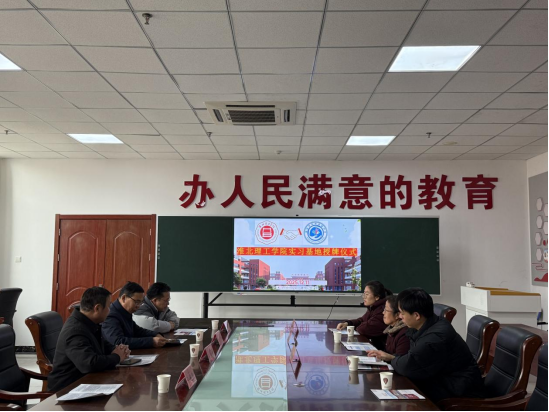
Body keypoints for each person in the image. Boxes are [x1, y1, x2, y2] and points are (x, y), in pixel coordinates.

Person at [367, 288, 484, 403]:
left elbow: (408, 366)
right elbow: (412, 359)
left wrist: (393, 359)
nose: (400, 317)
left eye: (402, 313)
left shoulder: (434, 338)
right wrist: (392, 357)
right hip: (442, 379)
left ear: (416, 315)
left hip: (457, 388)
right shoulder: (428, 324)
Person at [48, 287, 130, 393]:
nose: (110, 310)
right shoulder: (75, 330)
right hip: (68, 390)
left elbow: (101, 345)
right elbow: (89, 364)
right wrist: (117, 357)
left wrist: (118, 349)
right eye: (109, 306)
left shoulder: (89, 322)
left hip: (86, 383)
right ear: (97, 308)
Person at [102, 282, 167, 350]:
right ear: (124, 298)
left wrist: (155, 334)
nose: (138, 306)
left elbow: (137, 330)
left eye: (140, 302)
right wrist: (151, 341)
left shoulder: (125, 311)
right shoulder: (111, 315)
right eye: (137, 302)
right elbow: (118, 342)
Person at [337, 280, 392, 347]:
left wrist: (360, 325)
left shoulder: (382, 310)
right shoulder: (373, 307)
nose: (364, 297)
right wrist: (347, 323)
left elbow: (363, 329)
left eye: (367, 294)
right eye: (364, 294)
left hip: (380, 349)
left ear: (377, 297)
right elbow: (362, 320)